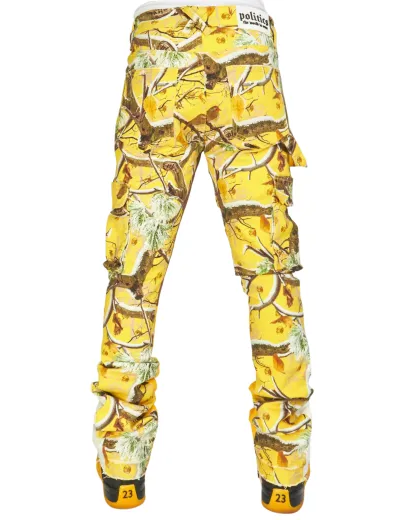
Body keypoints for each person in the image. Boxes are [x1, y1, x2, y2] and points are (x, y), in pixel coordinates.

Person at [91, 2, 313, 513]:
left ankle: (122, 472)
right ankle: (284, 476)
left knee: (134, 276)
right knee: (270, 272)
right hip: (245, 45)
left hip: (160, 47)